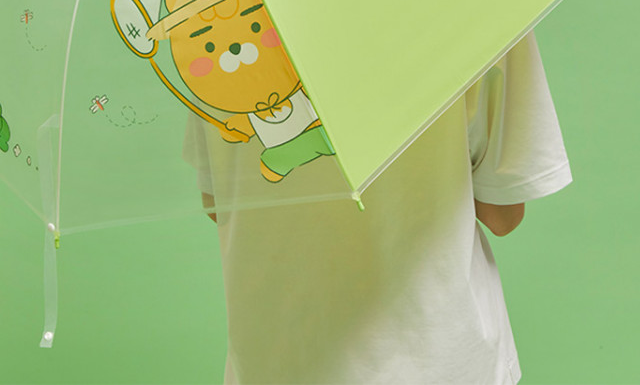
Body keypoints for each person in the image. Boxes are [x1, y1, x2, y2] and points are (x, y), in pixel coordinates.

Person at [184, 29, 572, 385]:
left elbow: (218, 203)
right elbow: (503, 214)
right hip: (437, 355)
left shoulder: (217, 4)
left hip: (277, 360)